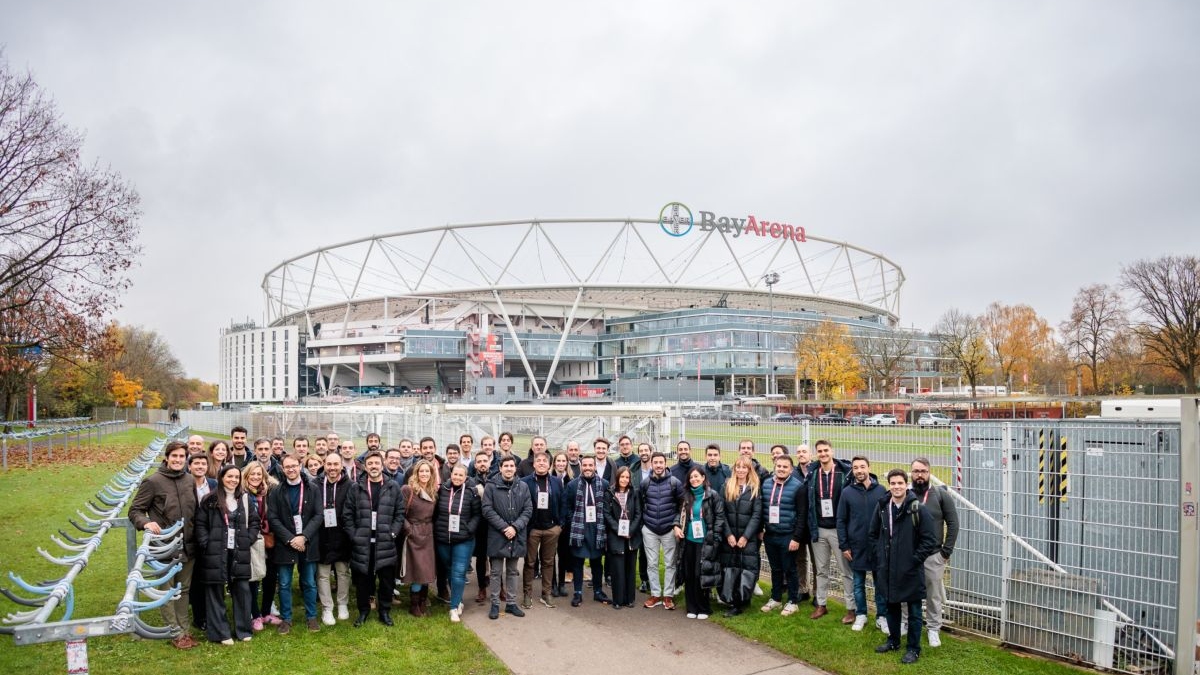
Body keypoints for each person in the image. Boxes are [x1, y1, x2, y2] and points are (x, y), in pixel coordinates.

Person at [128, 440, 198, 649]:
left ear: (186, 459)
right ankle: (174, 632)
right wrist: (145, 523)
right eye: (174, 456)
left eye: (181, 457)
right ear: (167, 458)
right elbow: (135, 510)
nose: (178, 460)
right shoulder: (153, 481)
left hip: (188, 546)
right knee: (167, 591)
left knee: (183, 590)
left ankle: (185, 630)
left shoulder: (189, 480)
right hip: (164, 546)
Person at [870, 469, 938, 664]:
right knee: (891, 607)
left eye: (900, 483)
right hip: (888, 567)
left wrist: (914, 560)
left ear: (906, 485)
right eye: (893, 483)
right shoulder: (883, 506)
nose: (896, 487)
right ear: (889, 485)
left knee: (915, 611)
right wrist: (880, 556)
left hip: (910, 569)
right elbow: (873, 534)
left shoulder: (917, 508)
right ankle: (893, 640)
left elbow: (929, 540)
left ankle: (913, 648)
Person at [194, 464, 259, 644]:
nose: (233, 480)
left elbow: (255, 522)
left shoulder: (244, 499)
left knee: (243, 590)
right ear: (222, 478)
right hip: (215, 552)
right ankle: (221, 633)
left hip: (239, 550)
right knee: (215, 591)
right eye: (229, 476)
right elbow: (200, 525)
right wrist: (206, 543)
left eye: (236, 477)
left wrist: (248, 539)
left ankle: (244, 630)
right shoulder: (210, 500)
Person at [342, 450, 406, 626]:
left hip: (385, 542)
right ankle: (363, 611)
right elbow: (347, 515)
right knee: (363, 580)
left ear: (382, 464)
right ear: (366, 466)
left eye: (377, 463)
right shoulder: (357, 487)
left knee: (386, 581)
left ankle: (384, 611)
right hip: (363, 543)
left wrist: (392, 533)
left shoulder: (392, 487)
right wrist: (354, 535)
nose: (374, 466)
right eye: (370, 464)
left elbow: (400, 513)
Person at [268, 454, 322, 634]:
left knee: (308, 582)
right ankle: (287, 618)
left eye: (294, 466)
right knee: (284, 583)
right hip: (286, 543)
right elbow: (273, 518)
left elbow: (318, 515)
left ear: (300, 466)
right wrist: (291, 539)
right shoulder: (276, 490)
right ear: (282, 469)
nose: (291, 469)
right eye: (287, 467)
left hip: (307, 542)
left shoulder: (313, 488)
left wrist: (304, 537)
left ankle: (311, 617)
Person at [910, 457, 959, 648]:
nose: (919, 475)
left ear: (929, 472)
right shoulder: (905, 494)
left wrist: (945, 552)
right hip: (910, 556)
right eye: (916, 471)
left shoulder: (940, 495)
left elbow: (953, 523)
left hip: (933, 556)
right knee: (909, 592)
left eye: (923, 471)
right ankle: (906, 623)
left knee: (933, 596)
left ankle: (933, 629)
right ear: (911, 473)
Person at [837, 456, 888, 631]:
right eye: (856, 468)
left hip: (877, 546)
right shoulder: (847, 492)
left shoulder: (881, 491)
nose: (859, 471)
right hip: (856, 546)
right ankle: (861, 614)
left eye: (862, 467)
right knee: (858, 583)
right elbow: (841, 520)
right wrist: (844, 545)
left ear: (869, 467)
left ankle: (882, 616)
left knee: (879, 584)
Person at [482, 455, 533, 619]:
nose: (509, 468)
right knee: (496, 572)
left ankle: (511, 603)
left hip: (516, 535)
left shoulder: (523, 486)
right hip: (498, 535)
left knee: (512, 571)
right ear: (500, 468)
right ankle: (495, 604)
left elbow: (528, 510)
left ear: (515, 468)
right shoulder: (491, 487)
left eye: (512, 466)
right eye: (506, 466)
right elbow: (487, 510)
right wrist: (505, 527)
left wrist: (515, 527)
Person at [808, 439, 853, 619]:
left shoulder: (844, 473)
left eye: (826, 450)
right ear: (816, 453)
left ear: (832, 451)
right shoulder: (812, 473)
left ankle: (851, 608)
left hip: (838, 530)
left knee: (845, 571)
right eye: (819, 451)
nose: (823, 454)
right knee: (821, 570)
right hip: (819, 529)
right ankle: (821, 604)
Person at [674, 466, 726, 620]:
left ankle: (703, 607)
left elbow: (719, 518)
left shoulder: (712, 495)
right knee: (689, 574)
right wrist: (676, 526)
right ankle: (691, 607)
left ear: (703, 478)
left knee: (700, 574)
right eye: (691, 477)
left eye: (697, 476)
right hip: (688, 541)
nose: (694, 479)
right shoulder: (686, 496)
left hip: (705, 542)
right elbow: (679, 515)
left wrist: (715, 539)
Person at [760, 454, 808, 617]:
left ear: (791, 469)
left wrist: (796, 538)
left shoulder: (798, 486)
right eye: (779, 466)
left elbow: (802, 515)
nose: (781, 469)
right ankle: (776, 598)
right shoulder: (766, 484)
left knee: (790, 569)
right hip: (770, 534)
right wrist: (761, 529)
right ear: (775, 466)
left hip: (788, 535)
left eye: (785, 467)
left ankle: (793, 601)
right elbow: (761, 509)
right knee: (775, 569)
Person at [435, 464, 482, 622]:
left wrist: (469, 530)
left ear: (466, 477)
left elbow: (477, 515)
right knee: (449, 570)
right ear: (451, 474)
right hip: (443, 539)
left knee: (458, 571)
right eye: (455, 474)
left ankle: (453, 607)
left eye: (461, 475)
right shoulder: (442, 490)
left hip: (463, 540)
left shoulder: (471, 492)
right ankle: (459, 599)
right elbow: (435, 512)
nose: (457, 478)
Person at [639, 451, 684, 610]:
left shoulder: (675, 482)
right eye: (655, 462)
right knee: (651, 563)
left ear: (665, 464)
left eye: (661, 462)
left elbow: (681, 505)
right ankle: (656, 594)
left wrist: (676, 523)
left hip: (669, 529)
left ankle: (668, 596)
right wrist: (643, 525)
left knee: (670, 563)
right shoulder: (645, 483)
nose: (658, 465)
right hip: (650, 528)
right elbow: (641, 503)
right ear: (651, 464)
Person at [564, 455, 611, 607]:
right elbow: (568, 507)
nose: (588, 468)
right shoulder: (572, 485)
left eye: (591, 465)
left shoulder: (604, 484)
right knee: (578, 561)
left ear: (595, 467)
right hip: (579, 528)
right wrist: (574, 521)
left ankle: (598, 591)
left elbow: (608, 507)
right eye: (585, 465)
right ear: (581, 466)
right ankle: (578, 592)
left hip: (597, 528)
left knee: (597, 562)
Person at [520, 452, 564, 609]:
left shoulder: (556, 482)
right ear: (533, 464)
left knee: (548, 562)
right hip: (533, 529)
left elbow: (562, 503)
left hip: (551, 529)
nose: (541, 463)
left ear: (549, 464)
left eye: (544, 461)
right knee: (530, 562)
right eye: (538, 461)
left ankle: (546, 593)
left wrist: (559, 526)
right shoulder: (525, 482)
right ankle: (527, 594)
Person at [720, 457, 762, 617]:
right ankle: (732, 601)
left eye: (744, 467)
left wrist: (746, 536)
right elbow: (722, 512)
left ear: (749, 470)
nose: (741, 470)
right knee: (731, 569)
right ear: (734, 469)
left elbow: (756, 515)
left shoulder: (754, 488)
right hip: (730, 537)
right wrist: (728, 534)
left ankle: (742, 600)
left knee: (747, 569)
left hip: (747, 538)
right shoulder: (727, 486)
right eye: (738, 467)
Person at [242, 461, 280, 631]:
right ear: (246, 476)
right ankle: (255, 615)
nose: (256, 477)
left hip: (270, 539)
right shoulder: (242, 494)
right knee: (254, 578)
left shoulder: (269, 492)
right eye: (253, 474)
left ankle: (266, 612)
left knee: (271, 577)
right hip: (253, 540)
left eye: (259, 474)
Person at [316, 453, 352, 626]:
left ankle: (342, 603)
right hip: (322, 535)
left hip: (342, 535)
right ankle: (327, 608)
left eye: (335, 464)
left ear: (341, 465)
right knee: (323, 574)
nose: (332, 468)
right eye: (329, 464)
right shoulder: (316, 484)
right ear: (324, 464)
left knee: (343, 572)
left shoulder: (350, 485)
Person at [400, 459, 439, 617]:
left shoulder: (433, 492)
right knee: (417, 571)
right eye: (421, 471)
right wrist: (408, 528)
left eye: (427, 471)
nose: (424, 474)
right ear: (416, 473)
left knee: (427, 571)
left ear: (431, 474)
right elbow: (399, 513)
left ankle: (423, 601)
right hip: (413, 534)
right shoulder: (408, 490)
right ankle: (414, 604)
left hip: (428, 534)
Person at [604, 466, 642, 609]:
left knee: (630, 569)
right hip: (616, 535)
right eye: (622, 477)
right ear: (618, 478)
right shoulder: (610, 493)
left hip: (631, 536)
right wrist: (619, 529)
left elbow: (638, 513)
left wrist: (630, 530)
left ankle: (630, 599)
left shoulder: (634, 493)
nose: (624, 480)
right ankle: (618, 600)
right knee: (617, 569)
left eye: (627, 477)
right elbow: (607, 514)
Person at [187, 453, 215, 632]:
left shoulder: (213, 485)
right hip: (190, 537)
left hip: (211, 537)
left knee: (210, 578)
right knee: (195, 579)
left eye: (203, 463)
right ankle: (199, 617)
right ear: (189, 466)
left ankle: (211, 614)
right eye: (196, 463)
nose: (200, 466)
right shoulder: (184, 485)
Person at [471, 450, 494, 603]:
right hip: (479, 526)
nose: (482, 464)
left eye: (484, 461)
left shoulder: (496, 480)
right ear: (475, 464)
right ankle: (481, 588)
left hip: (494, 525)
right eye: (479, 461)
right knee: (480, 559)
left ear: (489, 462)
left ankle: (500, 587)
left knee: (496, 558)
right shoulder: (471, 481)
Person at [551, 451, 575, 597]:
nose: (561, 463)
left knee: (563, 554)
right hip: (552, 524)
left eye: (563, 461)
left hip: (566, 524)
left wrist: (566, 521)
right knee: (551, 555)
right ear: (554, 463)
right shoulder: (549, 479)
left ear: (567, 463)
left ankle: (561, 584)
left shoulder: (571, 481)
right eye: (558, 461)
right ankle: (553, 583)